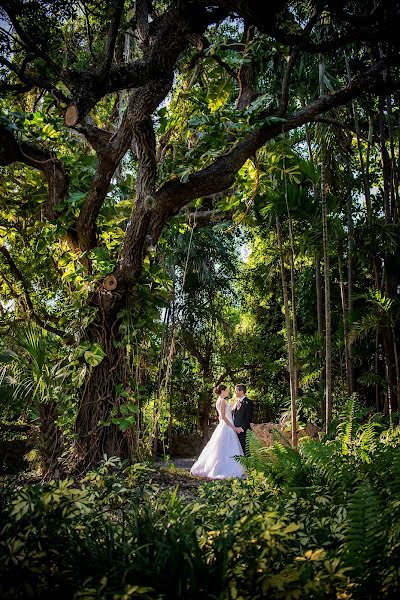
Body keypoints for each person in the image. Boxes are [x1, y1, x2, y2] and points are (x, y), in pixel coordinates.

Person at [190, 384, 245, 479]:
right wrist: (233, 427)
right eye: (226, 390)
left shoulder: (218, 401)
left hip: (223, 425)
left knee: (221, 448)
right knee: (227, 448)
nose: (228, 392)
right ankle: (224, 469)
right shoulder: (223, 401)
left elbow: (220, 416)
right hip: (227, 426)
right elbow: (223, 417)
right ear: (222, 391)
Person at [232, 383, 253, 455]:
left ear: (241, 391)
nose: (235, 393)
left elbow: (248, 417)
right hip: (235, 431)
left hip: (244, 431)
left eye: (236, 391)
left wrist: (241, 428)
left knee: (245, 452)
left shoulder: (248, 402)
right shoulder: (235, 403)